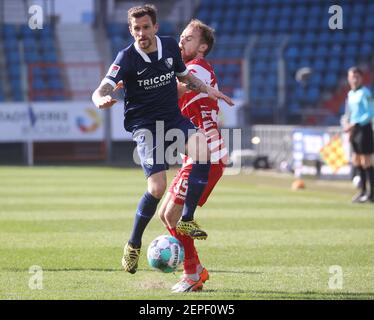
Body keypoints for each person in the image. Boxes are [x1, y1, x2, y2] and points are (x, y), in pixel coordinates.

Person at [91, 4, 234, 274]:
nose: (142, 33)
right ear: (130, 30)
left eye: (146, 27)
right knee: (157, 188)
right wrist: (100, 99)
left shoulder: (168, 47)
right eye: (136, 29)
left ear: (155, 27)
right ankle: (133, 244)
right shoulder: (126, 57)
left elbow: (185, 77)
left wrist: (208, 90)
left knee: (203, 149)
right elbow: (103, 87)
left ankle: (188, 219)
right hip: (145, 126)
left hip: (172, 119)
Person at [158, 19, 229, 292]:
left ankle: (191, 273)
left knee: (173, 215)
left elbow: (172, 88)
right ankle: (196, 269)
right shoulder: (184, 69)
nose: (180, 41)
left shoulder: (197, 68)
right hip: (195, 154)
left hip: (207, 155)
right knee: (166, 215)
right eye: (181, 37)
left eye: (188, 38)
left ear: (202, 47)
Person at [343, 66, 374, 203]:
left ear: (361, 78)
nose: (354, 80)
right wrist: (348, 126)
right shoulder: (350, 94)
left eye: (356, 77)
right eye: (351, 77)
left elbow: (370, 112)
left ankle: (371, 193)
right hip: (354, 130)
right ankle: (362, 192)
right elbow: (349, 114)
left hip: (364, 128)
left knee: (366, 161)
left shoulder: (365, 93)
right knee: (356, 160)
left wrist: (354, 124)